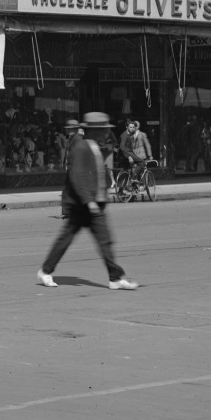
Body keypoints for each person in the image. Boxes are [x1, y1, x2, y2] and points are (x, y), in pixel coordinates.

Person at [38, 112, 138, 290]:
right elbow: (77, 176)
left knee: (104, 240)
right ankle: (46, 271)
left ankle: (115, 278)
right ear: (94, 131)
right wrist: (88, 200)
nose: (107, 133)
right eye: (103, 130)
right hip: (83, 205)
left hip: (94, 203)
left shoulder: (94, 147)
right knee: (66, 239)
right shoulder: (81, 147)